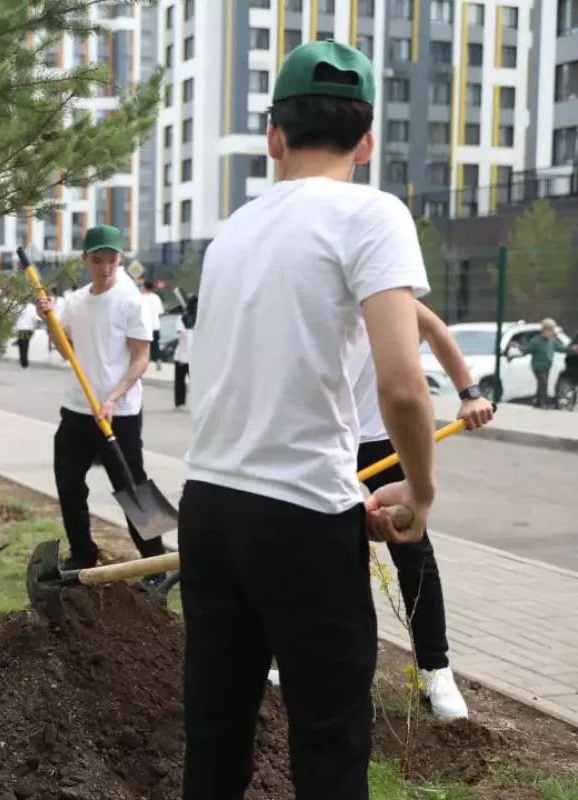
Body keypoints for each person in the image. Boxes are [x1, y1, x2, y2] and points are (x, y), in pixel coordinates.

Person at [179, 41, 438, 800]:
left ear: (274, 136)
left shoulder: (231, 236)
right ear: (364, 142)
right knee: (328, 740)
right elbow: (402, 386)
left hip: (211, 510)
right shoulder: (373, 214)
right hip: (301, 523)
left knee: (216, 731)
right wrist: (418, 492)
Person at [267, 301, 495, 719]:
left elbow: (437, 331)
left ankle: (435, 669)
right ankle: (308, 663)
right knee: (316, 558)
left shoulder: (382, 291)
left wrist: (469, 394)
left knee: (413, 555)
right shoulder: (309, 287)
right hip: (327, 444)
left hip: (384, 443)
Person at [36, 225, 166, 576]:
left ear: (120, 259)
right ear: (84, 260)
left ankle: (157, 567)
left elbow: (141, 359)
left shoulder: (131, 301)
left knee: (132, 488)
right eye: (97, 260)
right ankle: (83, 553)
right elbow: (67, 352)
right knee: (68, 481)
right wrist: (49, 320)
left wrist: (113, 398)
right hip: (78, 408)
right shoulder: (76, 302)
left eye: (111, 260)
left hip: (118, 413)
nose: (105, 268)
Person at [523, 318, 572, 408]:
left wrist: (572, 349)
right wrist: (518, 348)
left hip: (547, 366)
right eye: (549, 331)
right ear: (543, 331)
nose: (551, 333)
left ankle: (537, 401)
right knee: (543, 382)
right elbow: (527, 350)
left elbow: (561, 348)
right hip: (537, 366)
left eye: (552, 331)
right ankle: (543, 402)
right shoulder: (536, 341)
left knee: (541, 383)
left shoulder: (552, 341)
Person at [141, 280, 165, 370]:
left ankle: (144, 363)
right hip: (155, 326)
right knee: (155, 345)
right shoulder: (156, 298)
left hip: (143, 326)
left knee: (143, 347)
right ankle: (158, 360)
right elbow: (160, 312)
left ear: (144, 288)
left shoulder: (141, 298)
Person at [14, 298, 39, 368]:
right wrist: (34, 328)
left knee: (21, 346)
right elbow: (35, 319)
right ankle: (24, 362)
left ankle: (23, 361)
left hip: (20, 328)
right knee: (26, 345)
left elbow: (16, 317)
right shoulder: (32, 307)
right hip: (28, 329)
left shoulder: (18, 306)